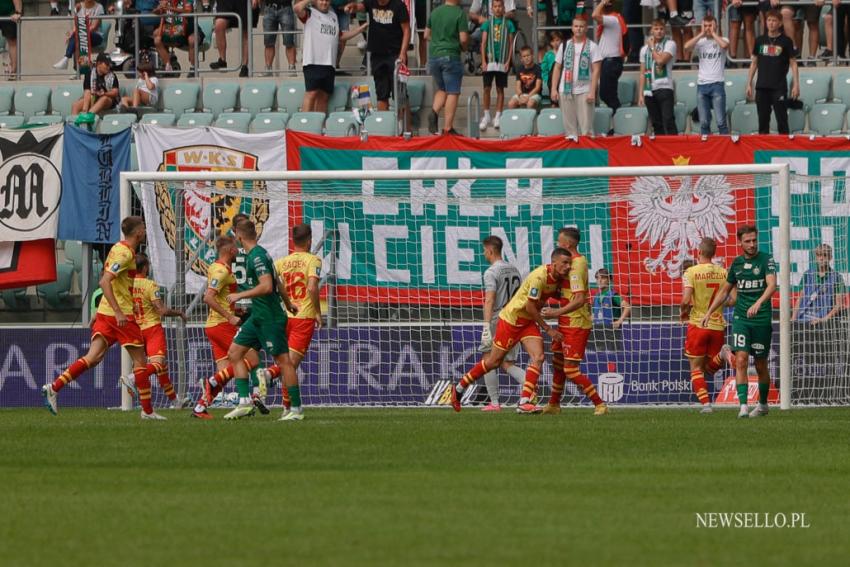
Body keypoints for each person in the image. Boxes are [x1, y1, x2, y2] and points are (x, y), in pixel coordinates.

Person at [42, 216, 166, 420]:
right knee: (141, 361)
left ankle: (54, 387)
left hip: (106, 314)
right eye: (143, 228)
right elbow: (105, 281)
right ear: (138, 233)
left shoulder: (118, 248)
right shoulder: (125, 254)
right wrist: (118, 312)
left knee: (93, 358)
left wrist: (99, 312)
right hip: (121, 315)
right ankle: (147, 411)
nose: (144, 231)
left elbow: (111, 282)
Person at [451, 248, 572, 414]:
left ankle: (524, 401)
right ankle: (458, 389)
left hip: (527, 322)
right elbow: (530, 306)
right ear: (554, 262)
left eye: (569, 263)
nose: (568, 266)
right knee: (493, 362)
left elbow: (556, 294)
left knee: (539, 357)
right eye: (565, 263)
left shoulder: (560, 277)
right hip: (511, 320)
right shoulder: (539, 277)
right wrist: (548, 329)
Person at [221, 219, 303, 421]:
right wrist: (288, 302)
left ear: (239, 236)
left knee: (283, 361)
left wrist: (240, 295)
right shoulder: (259, 254)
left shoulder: (257, 256)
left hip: (270, 318)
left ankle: (296, 409)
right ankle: (244, 402)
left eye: (235, 237)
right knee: (234, 352)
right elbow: (277, 283)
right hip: (257, 317)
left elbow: (267, 286)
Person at [703, 225, 777, 419]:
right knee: (741, 359)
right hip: (741, 319)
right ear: (740, 243)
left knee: (761, 365)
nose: (752, 244)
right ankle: (743, 406)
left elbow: (772, 285)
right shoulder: (736, 264)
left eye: (754, 240)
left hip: (761, 319)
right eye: (747, 241)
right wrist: (710, 312)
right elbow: (724, 291)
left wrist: (759, 303)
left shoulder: (766, 260)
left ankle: (762, 405)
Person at [540, 227, 608, 415]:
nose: (557, 244)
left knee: (570, 369)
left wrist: (555, 312)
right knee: (558, 363)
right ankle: (554, 404)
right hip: (565, 320)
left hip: (576, 322)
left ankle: (600, 404)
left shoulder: (576, 265)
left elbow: (579, 299)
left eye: (559, 241)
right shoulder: (569, 263)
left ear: (567, 244)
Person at [193, 235, 263, 419]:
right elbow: (208, 297)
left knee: (225, 373)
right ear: (230, 250)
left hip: (214, 326)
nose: (237, 250)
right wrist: (229, 316)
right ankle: (253, 396)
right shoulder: (221, 271)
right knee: (252, 359)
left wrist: (235, 309)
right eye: (235, 248)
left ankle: (200, 407)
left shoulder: (217, 267)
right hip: (221, 324)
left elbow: (220, 296)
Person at [258, 224, 323, 416]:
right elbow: (312, 288)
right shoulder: (314, 260)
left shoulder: (281, 262)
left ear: (293, 241)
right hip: (303, 317)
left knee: (288, 364)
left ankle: (287, 407)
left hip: (284, 316)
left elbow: (271, 287)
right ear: (310, 240)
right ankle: (268, 374)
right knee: (289, 365)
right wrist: (318, 312)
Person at [121, 253, 186, 408]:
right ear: (145, 267)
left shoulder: (127, 284)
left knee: (161, 368)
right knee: (158, 363)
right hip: (151, 329)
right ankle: (132, 378)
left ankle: (174, 401)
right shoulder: (149, 285)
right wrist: (179, 313)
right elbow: (161, 310)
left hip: (136, 329)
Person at [679, 238, 732, 414]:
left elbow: (686, 300)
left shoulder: (691, 272)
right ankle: (723, 354)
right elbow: (733, 300)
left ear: (699, 252)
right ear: (714, 253)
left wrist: (683, 312)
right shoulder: (724, 273)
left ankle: (706, 405)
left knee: (696, 369)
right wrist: (721, 305)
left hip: (698, 324)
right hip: (717, 325)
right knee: (709, 368)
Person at [791, 244, 848, 403]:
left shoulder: (836, 277)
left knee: (824, 360)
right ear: (816, 257)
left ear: (830, 257)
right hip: (803, 323)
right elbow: (800, 298)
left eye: (824, 255)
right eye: (819, 255)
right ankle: (799, 395)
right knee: (801, 359)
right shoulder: (808, 274)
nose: (821, 258)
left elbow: (838, 305)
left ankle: (825, 395)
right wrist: (793, 318)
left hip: (823, 324)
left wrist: (824, 319)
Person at [476, 236, 527, 412]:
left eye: (484, 250)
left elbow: (489, 300)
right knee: (507, 363)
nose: (483, 253)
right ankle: (531, 389)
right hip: (514, 319)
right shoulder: (514, 269)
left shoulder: (491, 272)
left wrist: (485, 326)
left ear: (490, 250)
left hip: (498, 318)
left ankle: (495, 403)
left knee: (488, 360)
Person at [296, 0, 367, 113]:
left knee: (324, 96)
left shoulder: (333, 15)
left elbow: (341, 36)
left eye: (327, 0)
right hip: (313, 61)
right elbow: (297, 8)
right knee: (311, 93)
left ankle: (320, 125)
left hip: (329, 63)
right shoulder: (309, 13)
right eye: (321, 0)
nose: (324, 3)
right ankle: (306, 125)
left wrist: (360, 29)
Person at [345, 0, 411, 111]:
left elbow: (406, 30)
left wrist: (403, 52)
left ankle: (405, 128)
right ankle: (383, 127)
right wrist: (353, 6)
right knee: (381, 95)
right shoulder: (371, 2)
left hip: (395, 55)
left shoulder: (399, 5)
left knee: (400, 97)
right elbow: (360, 6)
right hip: (377, 55)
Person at [746, 9, 799, 135]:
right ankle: (763, 151)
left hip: (779, 88)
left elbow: (793, 63)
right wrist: (749, 83)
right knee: (763, 122)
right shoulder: (759, 40)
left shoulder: (786, 41)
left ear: (780, 23)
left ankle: (784, 150)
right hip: (761, 87)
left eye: (774, 20)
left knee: (782, 121)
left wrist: (796, 84)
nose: (771, 23)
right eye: (769, 20)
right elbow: (754, 62)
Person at [550, 16, 601, 138]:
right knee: (570, 131)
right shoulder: (564, 45)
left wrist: (592, 91)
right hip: (565, 90)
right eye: (576, 26)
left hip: (584, 91)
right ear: (572, 28)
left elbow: (596, 70)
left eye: (581, 26)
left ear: (586, 28)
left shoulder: (593, 46)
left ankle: (587, 155)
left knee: (586, 130)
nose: (578, 29)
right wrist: (553, 89)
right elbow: (557, 68)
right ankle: (573, 155)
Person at [425, 0, 468, 135]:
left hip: (434, 57)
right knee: (453, 92)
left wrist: (439, 43)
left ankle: (434, 112)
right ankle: (448, 128)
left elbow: (426, 35)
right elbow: (463, 39)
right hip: (450, 56)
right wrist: (463, 48)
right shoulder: (459, 14)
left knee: (442, 88)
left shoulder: (435, 12)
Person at [684, 14, 729, 137]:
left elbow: (725, 46)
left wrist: (713, 33)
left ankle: (726, 150)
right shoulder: (700, 42)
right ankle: (707, 151)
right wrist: (701, 34)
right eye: (705, 25)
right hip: (702, 85)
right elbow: (686, 47)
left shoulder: (723, 39)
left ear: (716, 26)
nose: (708, 28)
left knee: (721, 122)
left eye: (710, 25)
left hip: (717, 84)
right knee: (704, 122)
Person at [478, 0, 515, 131]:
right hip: (489, 60)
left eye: (500, 6)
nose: (498, 9)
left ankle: (498, 115)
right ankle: (486, 115)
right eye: (495, 6)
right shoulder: (487, 23)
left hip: (502, 61)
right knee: (487, 88)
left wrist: (508, 61)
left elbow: (511, 44)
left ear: (504, 8)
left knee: (500, 89)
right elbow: (483, 43)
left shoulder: (509, 24)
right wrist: (483, 61)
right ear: (491, 8)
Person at [638, 19, 678, 136]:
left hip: (665, 88)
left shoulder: (670, 44)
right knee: (656, 124)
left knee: (668, 120)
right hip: (649, 90)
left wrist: (651, 47)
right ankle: (661, 152)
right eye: (656, 29)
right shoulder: (644, 50)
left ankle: (675, 150)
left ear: (665, 30)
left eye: (661, 29)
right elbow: (642, 73)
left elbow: (660, 61)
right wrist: (640, 94)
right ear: (651, 31)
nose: (659, 31)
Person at [592, 0, 626, 121]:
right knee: (608, 95)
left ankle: (620, 119)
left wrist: (601, 2)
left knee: (606, 95)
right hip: (609, 62)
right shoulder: (612, 20)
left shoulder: (612, 19)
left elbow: (594, 15)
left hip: (611, 62)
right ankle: (618, 120)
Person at [153, 0, 204, 75]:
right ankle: (168, 66)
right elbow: (156, 12)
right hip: (172, 30)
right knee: (156, 37)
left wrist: (170, 8)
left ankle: (194, 68)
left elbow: (188, 11)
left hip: (190, 30)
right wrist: (159, 9)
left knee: (192, 40)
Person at [210, 0, 259, 77]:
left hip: (245, 3)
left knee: (246, 31)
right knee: (219, 25)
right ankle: (222, 60)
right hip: (226, 3)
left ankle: (244, 66)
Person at [53, 0, 104, 70]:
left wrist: (79, 32)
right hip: (81, 35)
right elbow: (76, 25)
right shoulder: (78, 7)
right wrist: (73, 33)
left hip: (96, 36)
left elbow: (94, 27)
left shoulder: (99, 7)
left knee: (77, 37)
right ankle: (78, 70)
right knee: (76, 39)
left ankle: (67, 59)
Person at [71, 52, 120, 116]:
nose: (109, 67)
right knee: (75, 105)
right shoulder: (90, 74)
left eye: (109, 64)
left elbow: (115, 92)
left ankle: (88, 116)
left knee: (104, 98)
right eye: (107, 64)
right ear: (99, 63)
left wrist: (104, 93)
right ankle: (73, 124)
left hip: (108, 100)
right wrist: (85, 109)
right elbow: (87, 92)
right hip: (93, 97)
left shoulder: (112, 76)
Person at [263, 0, 298, 75]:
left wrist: (297, 3)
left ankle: (292, 68)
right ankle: (268, 69)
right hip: (269, 8)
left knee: (289, 41)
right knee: (268, 42)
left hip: (286, 7)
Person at [508, 45, 542, 110]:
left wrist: (528, 97)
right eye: (524, 56)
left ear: (533, 56)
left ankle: (529, 120)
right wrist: (520, 96)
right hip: (522, 94)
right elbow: (518, 87)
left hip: (534, 94)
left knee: (530, 103)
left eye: (528, 55)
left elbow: (537, 87)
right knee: (511, 103)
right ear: (521, 59)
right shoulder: (520, 69)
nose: (526, 58)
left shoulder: (538, 69)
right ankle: (517, 119)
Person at [728, 0, 758, 66]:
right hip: (734, 2)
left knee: (749, 26)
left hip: (749, 2)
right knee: (734, 25)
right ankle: (733, 60)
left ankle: (750, 60)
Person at [539, 31, 562, 105]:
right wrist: (545, 78)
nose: (555, 43)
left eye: (557, 40)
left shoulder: (564, 53)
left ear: (561, 41)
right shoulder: (548, 54)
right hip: (551, 79)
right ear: (550, 43)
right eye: (553, 41)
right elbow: (544, 68)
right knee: (554, 100)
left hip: (562, 78)